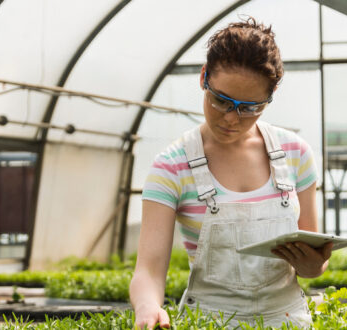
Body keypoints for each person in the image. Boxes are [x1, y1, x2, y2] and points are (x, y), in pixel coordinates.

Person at [129, 17, 332, 329]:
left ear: (271, 96)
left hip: (288, 321)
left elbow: (314, 261)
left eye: (249, 107)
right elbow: (149, 271)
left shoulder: (297, 154)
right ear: (203, 78)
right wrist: (147, 306)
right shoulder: (171, 166)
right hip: (210, 322)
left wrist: (315, 266)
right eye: (221, 100)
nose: (231, 118)